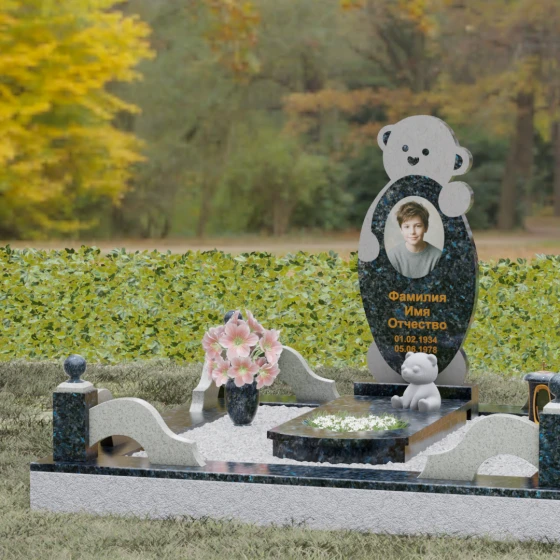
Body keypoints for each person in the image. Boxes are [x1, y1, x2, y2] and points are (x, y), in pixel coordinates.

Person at [387, 201, 441, 278]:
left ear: (426, 228)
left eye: (418, 226)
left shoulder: (437, 257)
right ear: (401, 230)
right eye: (407, 227)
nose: (412, 232)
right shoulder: (393, 256)